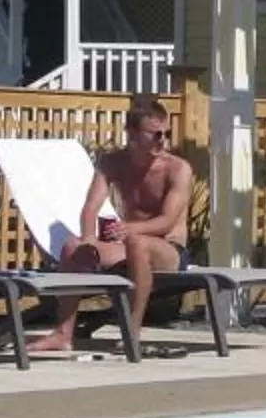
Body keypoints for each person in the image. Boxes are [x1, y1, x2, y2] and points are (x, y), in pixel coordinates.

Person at [32, 97, 192, 354]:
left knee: (137, 242)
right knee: (73, 247)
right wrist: (87, 238)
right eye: (155, 134)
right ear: (132, 133)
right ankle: (63, 334)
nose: (162, 140)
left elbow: (166, 221)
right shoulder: (113, 162)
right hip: (128, 243)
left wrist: (130, 230)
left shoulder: (177, 169)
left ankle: (132, 333)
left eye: (167, 133)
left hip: (168, 249)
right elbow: (91, 206)